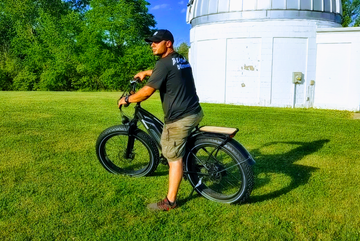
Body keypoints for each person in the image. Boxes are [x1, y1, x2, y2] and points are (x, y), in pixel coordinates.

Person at [118, 29, 203, 211]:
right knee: (177, 145)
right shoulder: (179, 59)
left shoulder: (163, 64)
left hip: (180, 118)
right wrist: (146, 72)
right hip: (194, 111)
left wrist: (126, 99)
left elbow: (147, 92)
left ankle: (170, 202)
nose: (152, 45)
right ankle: (189, 160)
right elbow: (166, 71)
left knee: (173, 157)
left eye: (156, 42)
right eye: (151, 42)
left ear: (168, 43)